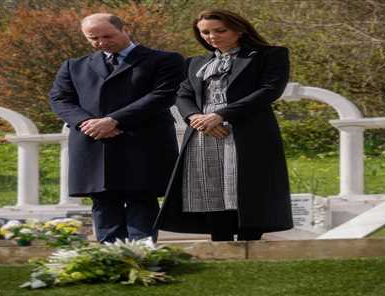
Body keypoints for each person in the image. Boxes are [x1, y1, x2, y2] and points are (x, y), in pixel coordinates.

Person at [154, 9, 293, 241]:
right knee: (211, 189)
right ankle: (220, 242)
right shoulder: (195, 63)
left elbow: (269, 90)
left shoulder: (269, 55)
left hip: (248, 130)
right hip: (203, 133)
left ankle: (250, 242)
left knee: (247, 187)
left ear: (239, 29)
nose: (212, 36)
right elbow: (182, 95)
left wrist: (222, 115)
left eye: (220, 31)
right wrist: (195, 118)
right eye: (205, 32)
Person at [49, 13, 184, 243]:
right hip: (94, 142)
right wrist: (86, 123)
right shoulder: (74, 66)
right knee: (103, 202)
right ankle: (109, 258)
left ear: (125, 29)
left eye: (107, 36)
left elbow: (163, 95)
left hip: (143, 142)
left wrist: (113, 121)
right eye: (94, 38)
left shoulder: (165, 60)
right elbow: (60, 99)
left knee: (141, 199)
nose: (102, 43)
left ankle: (142, 258)